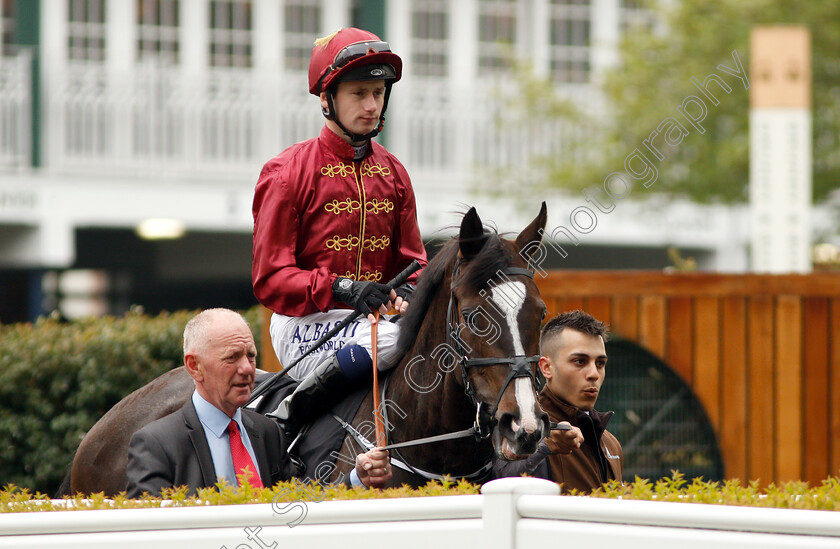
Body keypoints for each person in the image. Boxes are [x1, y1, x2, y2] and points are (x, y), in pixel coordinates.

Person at [251, 27, 427, 438]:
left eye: (379, 93)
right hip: (305, 322)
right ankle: (289, 413)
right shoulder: (285, 173)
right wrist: (345, 289)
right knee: (396, 345)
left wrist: (411, 294)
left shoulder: (395, 173)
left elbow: (413, 264)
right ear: (327, 99)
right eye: (359, 93)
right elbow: (270, 280)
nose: (371, 105)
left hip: (377, 319)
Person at [125, 308, 392, 497]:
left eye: (251, 356)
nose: (247, 368)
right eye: (232, 357)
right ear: (194, 367)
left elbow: (294, 505)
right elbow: (149, 534)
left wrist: (358, 479)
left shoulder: (267, 432)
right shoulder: (155, 444)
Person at [493, 310, 623, 494]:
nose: (594, 374)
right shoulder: (518, 429)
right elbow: (498, 486)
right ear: (546, 368)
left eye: (600, 363)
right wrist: (544, 447)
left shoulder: (611, 444)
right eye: (580, 361)